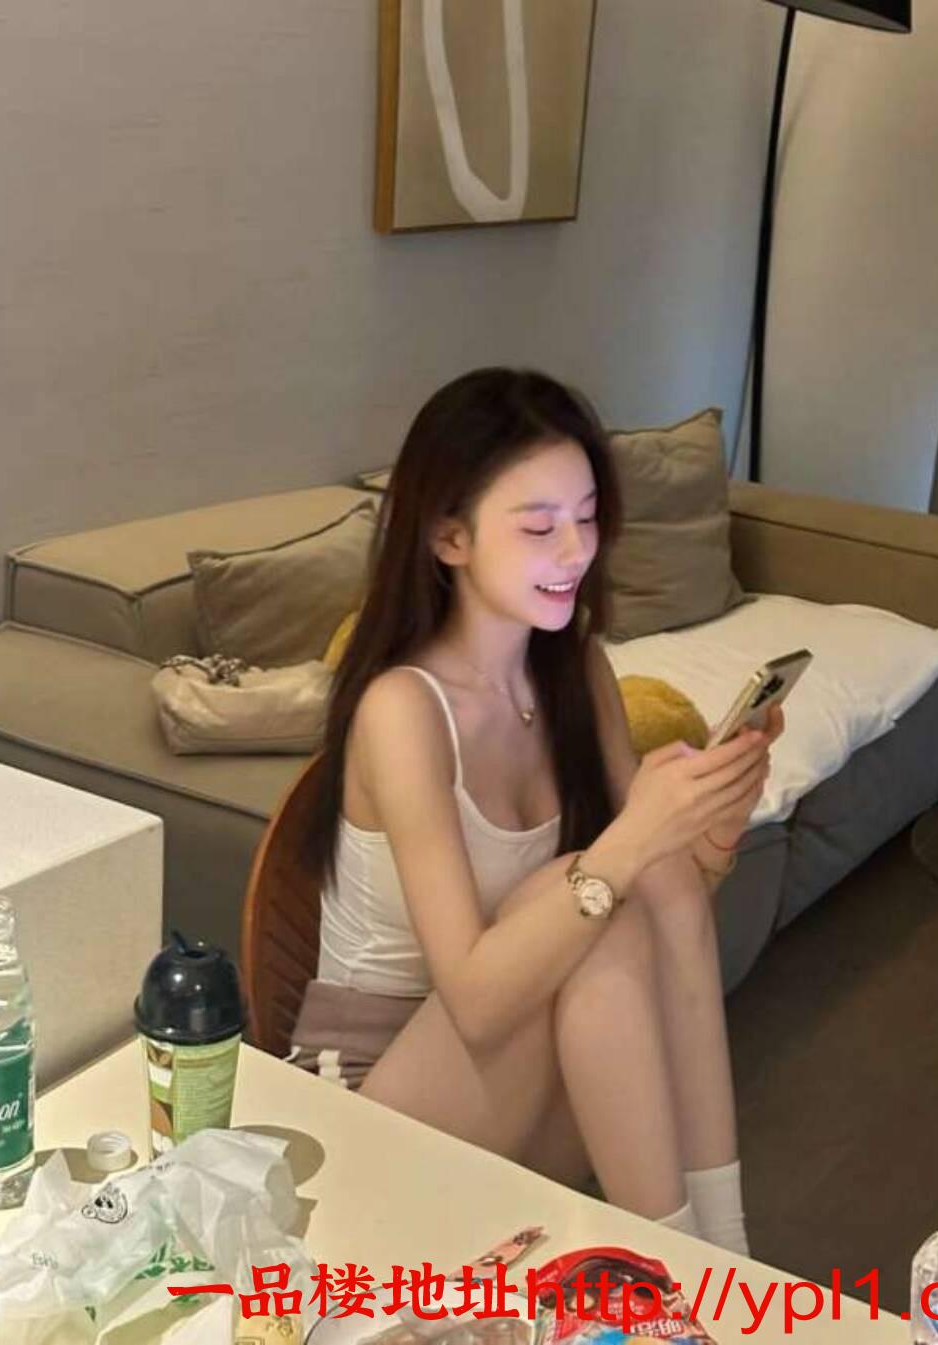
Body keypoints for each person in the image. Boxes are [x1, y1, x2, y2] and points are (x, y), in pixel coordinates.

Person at [293, 368, 781, 1255]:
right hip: (375, 1095)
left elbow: (663, 908)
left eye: (588, 517)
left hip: (516, 1063)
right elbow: (479, 1002)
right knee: (591, 887)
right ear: (449, 536)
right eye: (538, 526)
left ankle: (720, 1253)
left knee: (632, 893)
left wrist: (708, 834)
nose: (575, 550)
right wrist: (635, 839)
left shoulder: (575, 669)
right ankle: (682, 1273)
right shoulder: (403, 710)